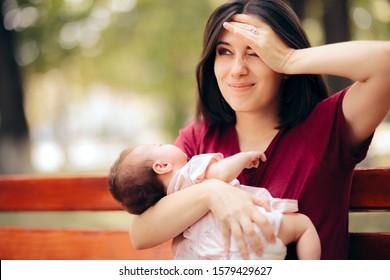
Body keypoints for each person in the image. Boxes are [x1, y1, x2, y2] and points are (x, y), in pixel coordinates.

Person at [127, 0, 390, 260]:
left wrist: (289, 58)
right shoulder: (198, 139)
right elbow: (141, 234)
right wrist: (212, 192)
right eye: (225, 52)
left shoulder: (328, 126)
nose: (238, 69)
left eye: (255, 52)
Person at [108, 143, 321, 259]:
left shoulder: (172, 204)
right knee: (302, 225)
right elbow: (221, 172)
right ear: (161, 166)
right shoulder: (192, 170)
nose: (168, 143)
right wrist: (244, 157)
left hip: (213, 255)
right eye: (160, 145)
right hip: (253, 235)